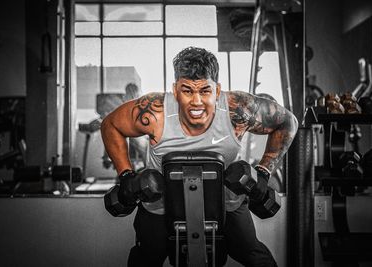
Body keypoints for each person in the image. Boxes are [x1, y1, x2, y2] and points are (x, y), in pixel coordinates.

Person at [101, 47, 298, 267]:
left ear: (217, 90)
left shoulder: (239, 110)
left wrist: (263, 172)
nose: (196, 102)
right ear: (175, 90)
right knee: (145, 258)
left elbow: (288, 122)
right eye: (187, 91)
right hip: (160, 203)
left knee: (252, 253)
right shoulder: (155, 110)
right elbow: (110, 125)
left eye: (205, 91)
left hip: (227, 201)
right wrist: (126, 176)